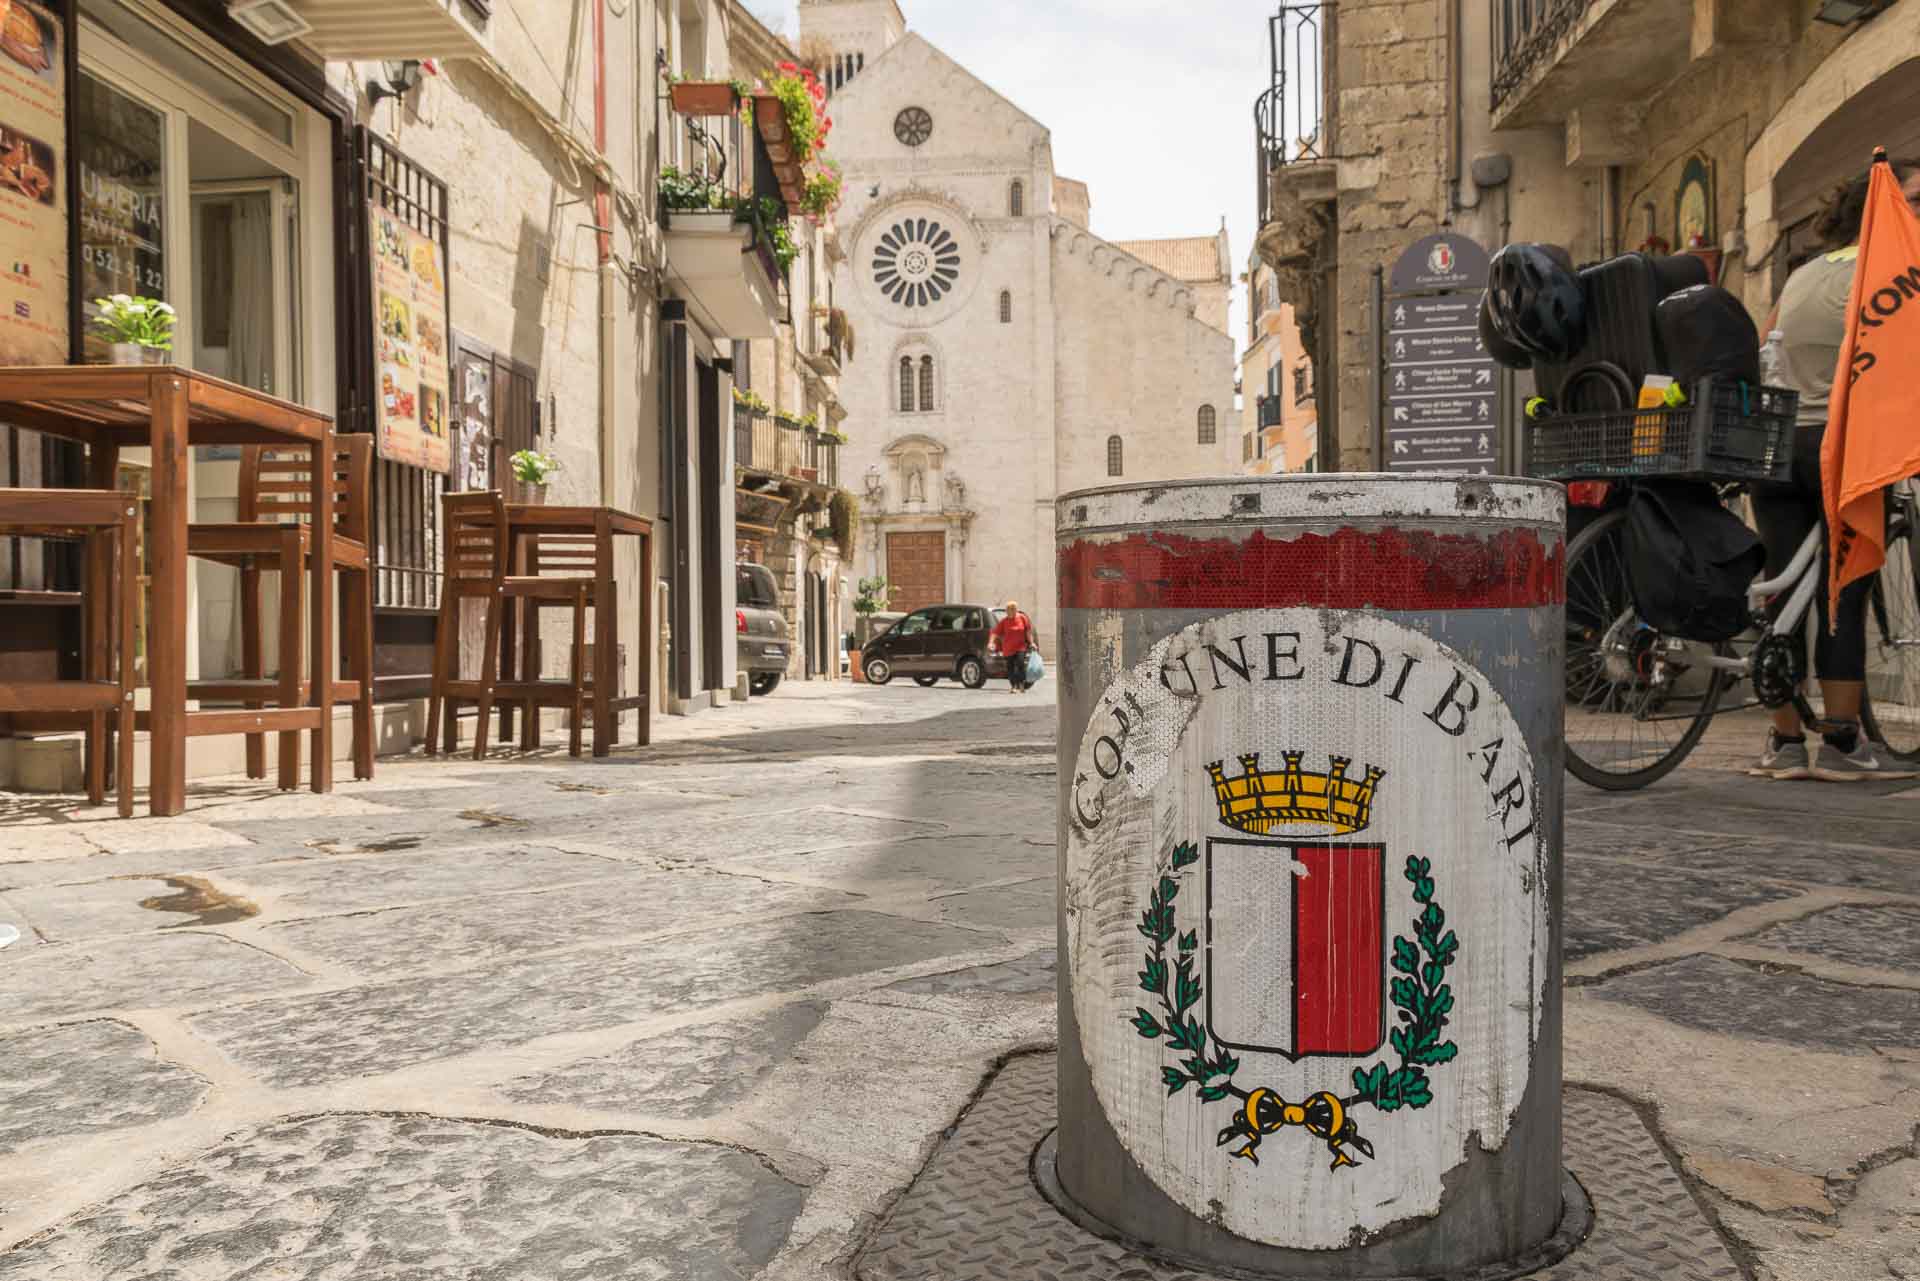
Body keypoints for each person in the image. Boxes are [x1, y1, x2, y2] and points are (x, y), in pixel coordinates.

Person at [1751, 157, 1920, 781]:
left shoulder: (1803, 273)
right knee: (1847, 587)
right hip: (1840, 447)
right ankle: (1843, 743)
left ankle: (1785, 743)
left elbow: (1774, 345)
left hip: (1777, 444)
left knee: (1785, 589)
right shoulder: (1893, 273)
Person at [990, 599, 1034, 694]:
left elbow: (1028, 632)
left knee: (1020, 663)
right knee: (1010, 668)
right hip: (1008, 648)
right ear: (1007, 611)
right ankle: (1013, 686)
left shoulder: (1022, 618)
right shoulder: (1004, 621)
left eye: (1013, 609)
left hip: (1020, 646)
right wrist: (991, 643)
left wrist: (1031, 643)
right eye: (1009, 610)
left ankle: (1021, 683)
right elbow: (995, 633)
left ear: (1016, 610)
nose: (1011, 612)